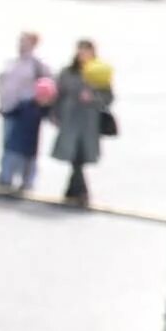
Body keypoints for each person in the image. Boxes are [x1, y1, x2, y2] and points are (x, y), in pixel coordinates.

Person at [51, 39, 112, 207]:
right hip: (70, 117)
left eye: (86, 51)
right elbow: (58, 93)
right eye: (80, 51)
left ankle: (77, 191)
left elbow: (108, 97)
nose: (83, 54)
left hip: (88, 120)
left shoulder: (99, 72)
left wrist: (93, 98)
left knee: (80, 156)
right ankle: (76, 191)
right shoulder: (68, 72)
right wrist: (55, 113)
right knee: (73, 155)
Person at [0, 31, 48, 192]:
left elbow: (48, 86)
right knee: (7, 143)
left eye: (25, 42)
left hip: (27, 111)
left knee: (26, 147)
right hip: (8, 108)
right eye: (21, 41)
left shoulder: (37, 65)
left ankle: (27, 179)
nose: (22, 45)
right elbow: (1, 81)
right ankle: (5, 175)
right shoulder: (11, 62)